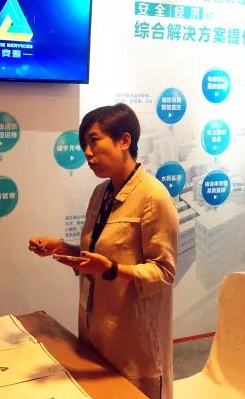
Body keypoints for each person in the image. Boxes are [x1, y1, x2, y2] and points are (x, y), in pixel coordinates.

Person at [28, 104, 178, 399]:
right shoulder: (101, 193)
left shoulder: (153, 197)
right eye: (83, 144)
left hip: (134, 339)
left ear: (124, 140)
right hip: (96, 328)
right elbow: (98, 255)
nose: (87, 152)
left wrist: (112, 269)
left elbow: (164, 273)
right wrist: (61, 248)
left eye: (94, 141)